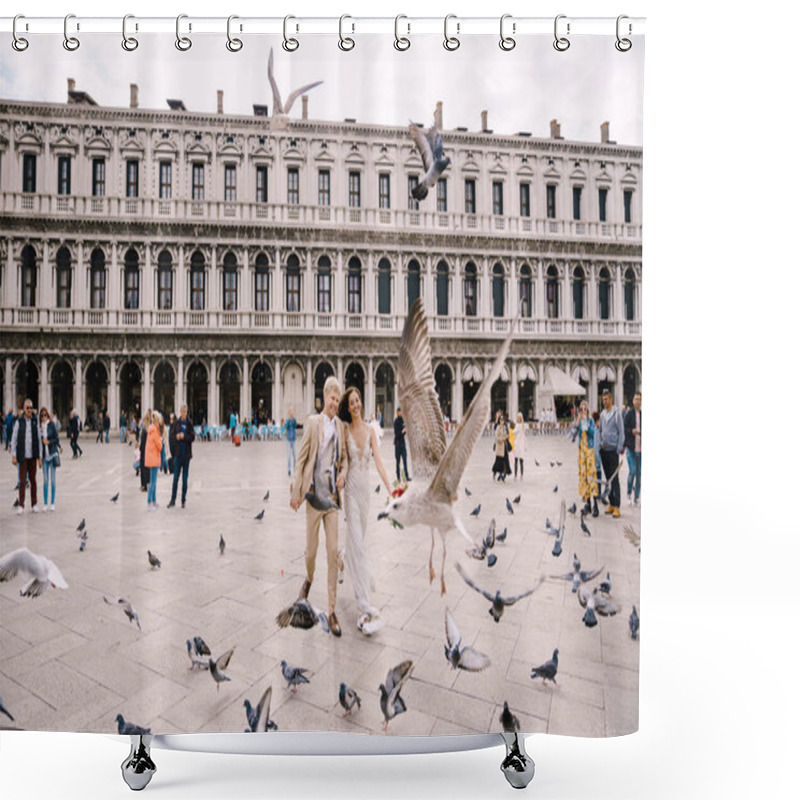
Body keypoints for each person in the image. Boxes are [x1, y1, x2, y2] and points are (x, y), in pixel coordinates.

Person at [289, 376, 350, 638]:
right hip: (313, 499)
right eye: (332, 399)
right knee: (311, 552)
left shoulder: (341, 427)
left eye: (338, 399)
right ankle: (309, 578)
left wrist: (343, 473)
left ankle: (332, 610)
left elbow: (345, 459)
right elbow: (301, 459)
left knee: (333, 550)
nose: (335, 403)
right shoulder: (313, 423)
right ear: (324, 398)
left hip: (332, 500)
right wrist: (296, 492)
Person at [338, 386, 392, 635]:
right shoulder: (345, 430)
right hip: (350, 491)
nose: (356, 405)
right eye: (351, 403)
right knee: (359, 546)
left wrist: (391, 489)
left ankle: (344, 554)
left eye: (358, 401)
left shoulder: (371, 430)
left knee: (357, 546)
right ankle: (365, 606)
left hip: (365, 495)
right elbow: (343, 462)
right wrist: (339, 476)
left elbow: (379, 462)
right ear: (347, 408)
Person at [11, 399, 42, 513]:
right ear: (24, 409)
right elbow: (14, 439)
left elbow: (39, 439)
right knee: (22, 481)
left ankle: (34, 504)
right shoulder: (19, 421)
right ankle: (21, 505)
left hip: (33, 456)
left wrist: (40, 457)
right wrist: (14, 455)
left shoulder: (35, 421)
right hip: (22, 456)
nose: (29, 410)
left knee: (33, 481)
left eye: (31, 407)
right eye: (27, 407)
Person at [598, 389, 625, 518]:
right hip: (604, 450)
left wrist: (619, 448)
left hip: (613, 451)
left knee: (615, 479)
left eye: (606, 399)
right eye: (603, 399)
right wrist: (599, 445)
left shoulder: (617, 414)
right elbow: (600, 430)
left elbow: (621, 432)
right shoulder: (602, 414)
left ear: (611, 399)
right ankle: (611, 504)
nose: (604, 401)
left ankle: (617, 506)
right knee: (608, 479)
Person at [168, 405, 195, 509]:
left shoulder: (189, 423)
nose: (183, 414)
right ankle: (173, 500)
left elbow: (192, 437)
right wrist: (177, 437)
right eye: (182, 412)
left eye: (185, 412)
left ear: (187, 412)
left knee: (184, 479)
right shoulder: (177, 423)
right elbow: (171, 436)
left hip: (186, 456)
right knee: (175, 479)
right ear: (180, 412)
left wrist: (185, 437)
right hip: (178, 456)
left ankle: (183, 499)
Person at [576, 400, 599, 517]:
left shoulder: (590, 421)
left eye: (584, 409)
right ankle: (588, 503)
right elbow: (575, 434)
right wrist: (577, 423)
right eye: (581, 409)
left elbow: (591, 433)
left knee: (591, 476)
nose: (582, 411)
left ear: (588, 410)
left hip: (589, 451)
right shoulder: (580, 421)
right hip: (582, 452)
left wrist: (584, 420)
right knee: (584, 477)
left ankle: (595, 504)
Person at [39, 407, 61, 512]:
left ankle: (52, 502)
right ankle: (45, 503)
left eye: (45, 415)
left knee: (52, 480)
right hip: (44, 457)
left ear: (48, 416)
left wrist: (49, 442)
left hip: (52, 455)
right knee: (45, 481)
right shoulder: (39, 428)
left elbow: (57, 439)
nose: (44, 417)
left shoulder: (52, 425)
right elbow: (38, 443)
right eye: (42, 415)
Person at [624, 392, 642, 506]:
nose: (638, 401)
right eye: (636, 399)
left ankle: (636, 497)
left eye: (639, 399)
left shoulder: (643, 414)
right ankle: (629, 493)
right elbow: (625, 429)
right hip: (630, 448)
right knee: (633, 471)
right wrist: (632, 431)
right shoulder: (628, 414)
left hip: (640, 449)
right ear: (633, 401)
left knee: (639, 474)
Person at [145, 410, 165, 510]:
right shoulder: (155, 431)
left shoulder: (151, 429)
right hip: (154, 458)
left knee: (154, 481)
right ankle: (149, 502)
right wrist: (161, 441)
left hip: (151, 458)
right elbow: (160, 446)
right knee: (153, 482)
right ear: (157, 420)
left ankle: (154, 501)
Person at [393, 406, 411, 482]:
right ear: (397, 412)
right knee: (398, 462)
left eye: (401, 411)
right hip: (397, 444)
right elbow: (397, 434)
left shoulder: (403, 421)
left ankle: (406, 476)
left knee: (405, 460)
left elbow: (406, 430)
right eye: (399, 411)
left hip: (403, 443)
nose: (401, 413)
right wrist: (402, 432)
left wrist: (405, 431)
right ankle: (398, 477)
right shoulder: (396, 422)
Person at [492, 412, 511, 481]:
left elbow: (507, 434)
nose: (502, 421)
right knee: (498, 461)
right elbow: (496, 437)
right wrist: (502, 439)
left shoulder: (505, 427)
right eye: (501, 420)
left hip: (504, 446)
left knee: (505, 461)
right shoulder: (498, 427)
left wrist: (507, 437)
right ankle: (495, 473)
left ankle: (503, 475)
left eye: (503, 420)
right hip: (500, 447)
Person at [139, 410, 151, 493]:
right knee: (147, 468)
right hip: (148, 452)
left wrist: (139, 448)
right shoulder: (149, 430)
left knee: (143, 469)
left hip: (144, 452)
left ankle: (144, 486)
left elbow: (142, 444)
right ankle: (147, 484)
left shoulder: (144, 431)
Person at [513, 412, 527, 479]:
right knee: (521, 461)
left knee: (516, 460)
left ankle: (516, 475)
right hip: (521, 445)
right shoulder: (523, 426)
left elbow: (514, 432)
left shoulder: (518, 425)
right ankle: (521, 475)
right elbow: (525, 437)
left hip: (518, 444)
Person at [285, 407, 298, 477]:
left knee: (295, 456)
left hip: (294, 439)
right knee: (289, 456)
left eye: (292, 412)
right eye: (290, 412)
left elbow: (296, 425)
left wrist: (293, 419)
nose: (291, 413)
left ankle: (295, 469)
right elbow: (286, 427)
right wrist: (289, 420)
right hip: (288, 440)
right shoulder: (287, 420)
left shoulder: (294, 420)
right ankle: (289, 470)